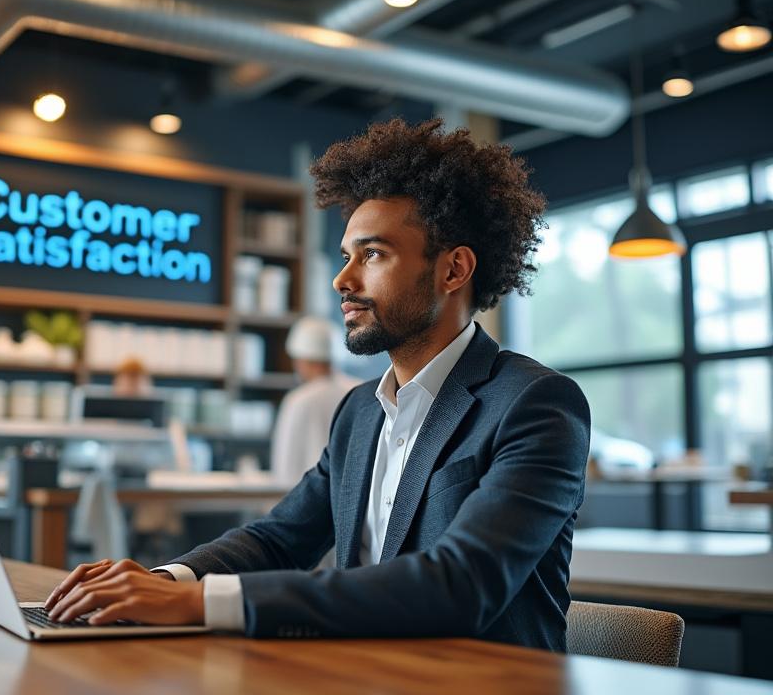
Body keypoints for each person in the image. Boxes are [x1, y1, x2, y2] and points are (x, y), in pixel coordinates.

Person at [43, 118, 591, 651]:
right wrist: (169, 581)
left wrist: (203, 603)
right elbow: (279, 538)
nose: (342, 280)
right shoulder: (360, 411)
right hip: (367, 690)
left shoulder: (534, 404)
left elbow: (460, 585)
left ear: (453, 271)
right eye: (346, 255)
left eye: (372, 254)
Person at [270, 316, 360, 488]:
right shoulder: (362, 391)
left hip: (310, 501)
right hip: (353, 501)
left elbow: (284, 469)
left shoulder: (299, 400)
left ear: (303, 360)